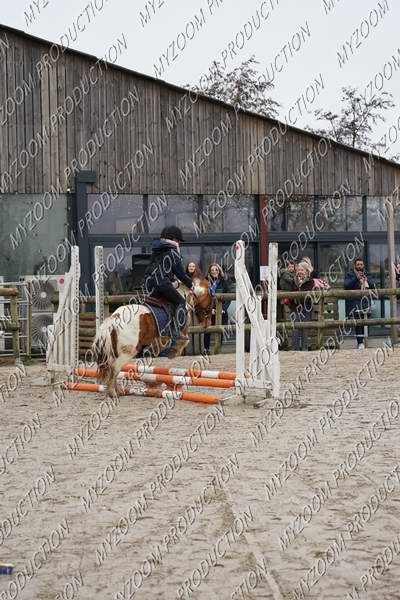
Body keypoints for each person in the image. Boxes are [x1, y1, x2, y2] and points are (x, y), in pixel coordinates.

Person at [144, 226, 194, 356]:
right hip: (161, 284)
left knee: (167, 303)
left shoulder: (157, 249)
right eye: (179, 241)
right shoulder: (173, 251)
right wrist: (191, 285)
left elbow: (160, 269)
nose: (179, 244)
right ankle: (176, 335)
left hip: (148, 284)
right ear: (174, 239)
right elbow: (181, 273)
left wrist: (173, 282)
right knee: (181, 302)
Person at [344, 257, 375, 349]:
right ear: (355, 265)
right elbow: (346, 286)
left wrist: (366, 280)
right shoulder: (350, 274)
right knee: (358, 323)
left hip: (365, 302)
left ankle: (365, 340)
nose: (360, 266)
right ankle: (360, 342)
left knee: (365, 322)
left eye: (361, 264)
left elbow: (373, 285)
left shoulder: (367, 273)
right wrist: (356, 278)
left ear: (363, 265)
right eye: (358, 264)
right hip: (354, 303)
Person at [288, 260, 315, 351]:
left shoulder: (310, 281)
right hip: (295, 308)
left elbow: (308, 294)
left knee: (304, 328)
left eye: (302, 270)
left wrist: (300, 288)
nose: (300, 272)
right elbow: (291, 292)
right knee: (295, 328)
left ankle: (304, 348)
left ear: (306, 271)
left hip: (306, 308)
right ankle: (295, 349)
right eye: (299, 270)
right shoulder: (293, 281)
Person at [204, 263, 230, 354]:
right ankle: (206, 349)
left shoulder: (224, 281)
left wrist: (223, 309)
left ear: (219, 271)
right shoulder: (205, 281)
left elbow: (228, 297)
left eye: (216, 270)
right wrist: (209, 309)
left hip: (221, 310)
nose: (214, 271)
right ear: (209, 272)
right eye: (212, 270)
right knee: (207, 330)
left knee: (220, 330)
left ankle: (218, 349)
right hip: (209, 310)